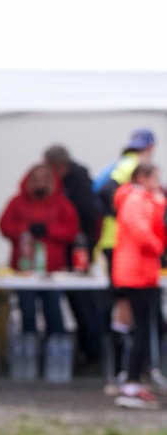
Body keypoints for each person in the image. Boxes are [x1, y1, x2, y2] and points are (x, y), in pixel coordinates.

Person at [93, 129, 157, 382]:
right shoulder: (131, 166)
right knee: (129, 312)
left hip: (117, 246)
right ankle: (126, 372)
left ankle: (125, 371)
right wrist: (117, 213)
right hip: (122, 246)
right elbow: (103, 191)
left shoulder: (118, 164)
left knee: (125, 310)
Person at [0, 163, 80, 338]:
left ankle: (55, 347)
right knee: (27, 312)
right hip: (24, 269)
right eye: (36, 179)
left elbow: (71, 231)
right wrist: (25, 228)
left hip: (52, 271)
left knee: (53, 312)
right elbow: (5, 226)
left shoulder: (61, 204)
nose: (40, 183)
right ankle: (28, 347)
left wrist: (48, 230)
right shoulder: (17, 202)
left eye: (44, 179)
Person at [43, 144, 104, 367]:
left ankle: (92, 351)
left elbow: (87, 217)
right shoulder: (74, 181)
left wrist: (84, 245)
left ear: (58, 165)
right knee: (79, 302)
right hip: (77, 248)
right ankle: (88, 349)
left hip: (79, 250)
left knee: (84, 302)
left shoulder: (77, 184)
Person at [111, 163, 166, 410]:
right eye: (155, 177)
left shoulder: (144, 199)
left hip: (143, 272)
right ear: (142, 178)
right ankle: (131, 382)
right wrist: (159, 248)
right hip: (135, 274)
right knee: (142, 328)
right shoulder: (134, 199)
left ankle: (136, 378)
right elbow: (143, 232)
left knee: (149, 326)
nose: (158, 183)